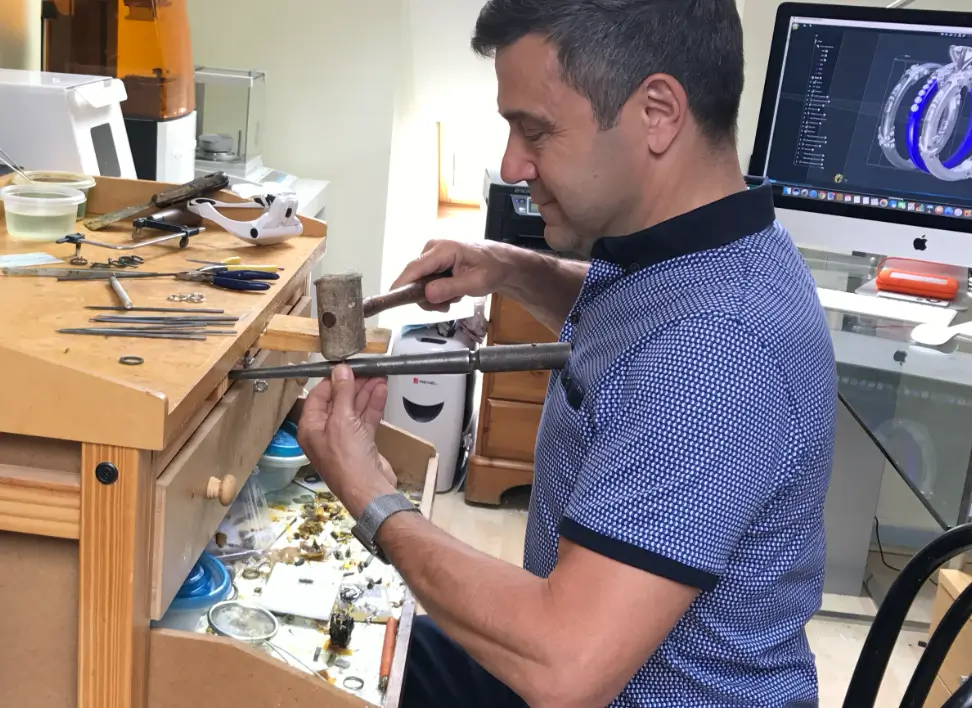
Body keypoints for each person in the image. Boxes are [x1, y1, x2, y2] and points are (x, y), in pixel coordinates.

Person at [296, 0, 838, 706]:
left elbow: (564, 669)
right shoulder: (709, 246)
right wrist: (512, 268)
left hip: (590, 676)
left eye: (536, 131)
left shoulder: (716, 354)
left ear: (657, 113)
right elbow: (642, 317)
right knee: (344, 649)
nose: (512, 163)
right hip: (584, 660)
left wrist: (371, 493)